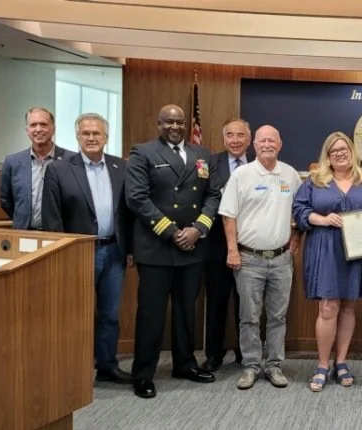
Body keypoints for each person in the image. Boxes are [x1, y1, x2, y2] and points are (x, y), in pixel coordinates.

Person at [125, 104, 223, 399]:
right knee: (152, 314)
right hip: (156, 247)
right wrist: (172, 232)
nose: (175, 126)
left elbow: (213, 195)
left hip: (192, 247)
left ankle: (185, 364)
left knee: (186, 312)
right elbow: (137, 198)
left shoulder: (203, 155)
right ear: (159, 123)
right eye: (168, 121)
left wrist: (198, 229)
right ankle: (143, 373)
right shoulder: (142, 152)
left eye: (179, 121)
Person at [292, 132, 362, 392]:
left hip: (359, 251)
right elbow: (299, 210)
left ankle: (342, 361)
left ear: (352, 152)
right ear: (327, 155)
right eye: (334, 150)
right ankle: (322, 365)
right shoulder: (315, 181)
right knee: (328, 307)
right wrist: (322, 219)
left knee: (348, 307)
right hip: (326, 249)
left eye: (344, 149)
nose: (340, 153)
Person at [42, 112, 133, 385]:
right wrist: (61, 255)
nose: (91, 138)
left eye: (97, 133)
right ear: (77, 137)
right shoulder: (58, 169)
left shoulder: (121, 167)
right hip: (78, 254)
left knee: (109, 315)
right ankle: (73, 369)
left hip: (114, 252)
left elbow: (128, 214)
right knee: (75, 314)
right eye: (86, 133)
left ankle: (107, 366)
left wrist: (130, 249)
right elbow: (52, 218)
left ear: (106, 137)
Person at [220, 125, 301, 390]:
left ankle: (274, 366)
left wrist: (296, 236)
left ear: (280, 144)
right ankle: (251, 366)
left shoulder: (290, 174)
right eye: (262, 140)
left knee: (278, 317)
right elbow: (228, 214)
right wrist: (232, 249)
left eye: (272, 140)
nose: (267, 144)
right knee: (249, 317)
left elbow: (299, 211)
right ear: (254, 145)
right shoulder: (241, 175)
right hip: (248, 259)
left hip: (281, 260)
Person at [202, 118, 254, 372]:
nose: (235, 140)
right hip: (216, 246)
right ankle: (213, 353)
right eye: (230, 135)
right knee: (216, 301)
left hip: (251, 244)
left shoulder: (259, 164)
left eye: (240, 135)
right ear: (224, 139)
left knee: (248, 303)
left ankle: (246, 353)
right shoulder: (210, 164)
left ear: (249, 139)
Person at [0, 107, 73, 230]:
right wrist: (22, 218)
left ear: (53, 129)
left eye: (43, 124)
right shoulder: (12, 162)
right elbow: (5, 200)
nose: (38, 129)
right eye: (33, 125)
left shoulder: (71, 160)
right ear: (27, 130)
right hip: (24, 233)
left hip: (61, 235)